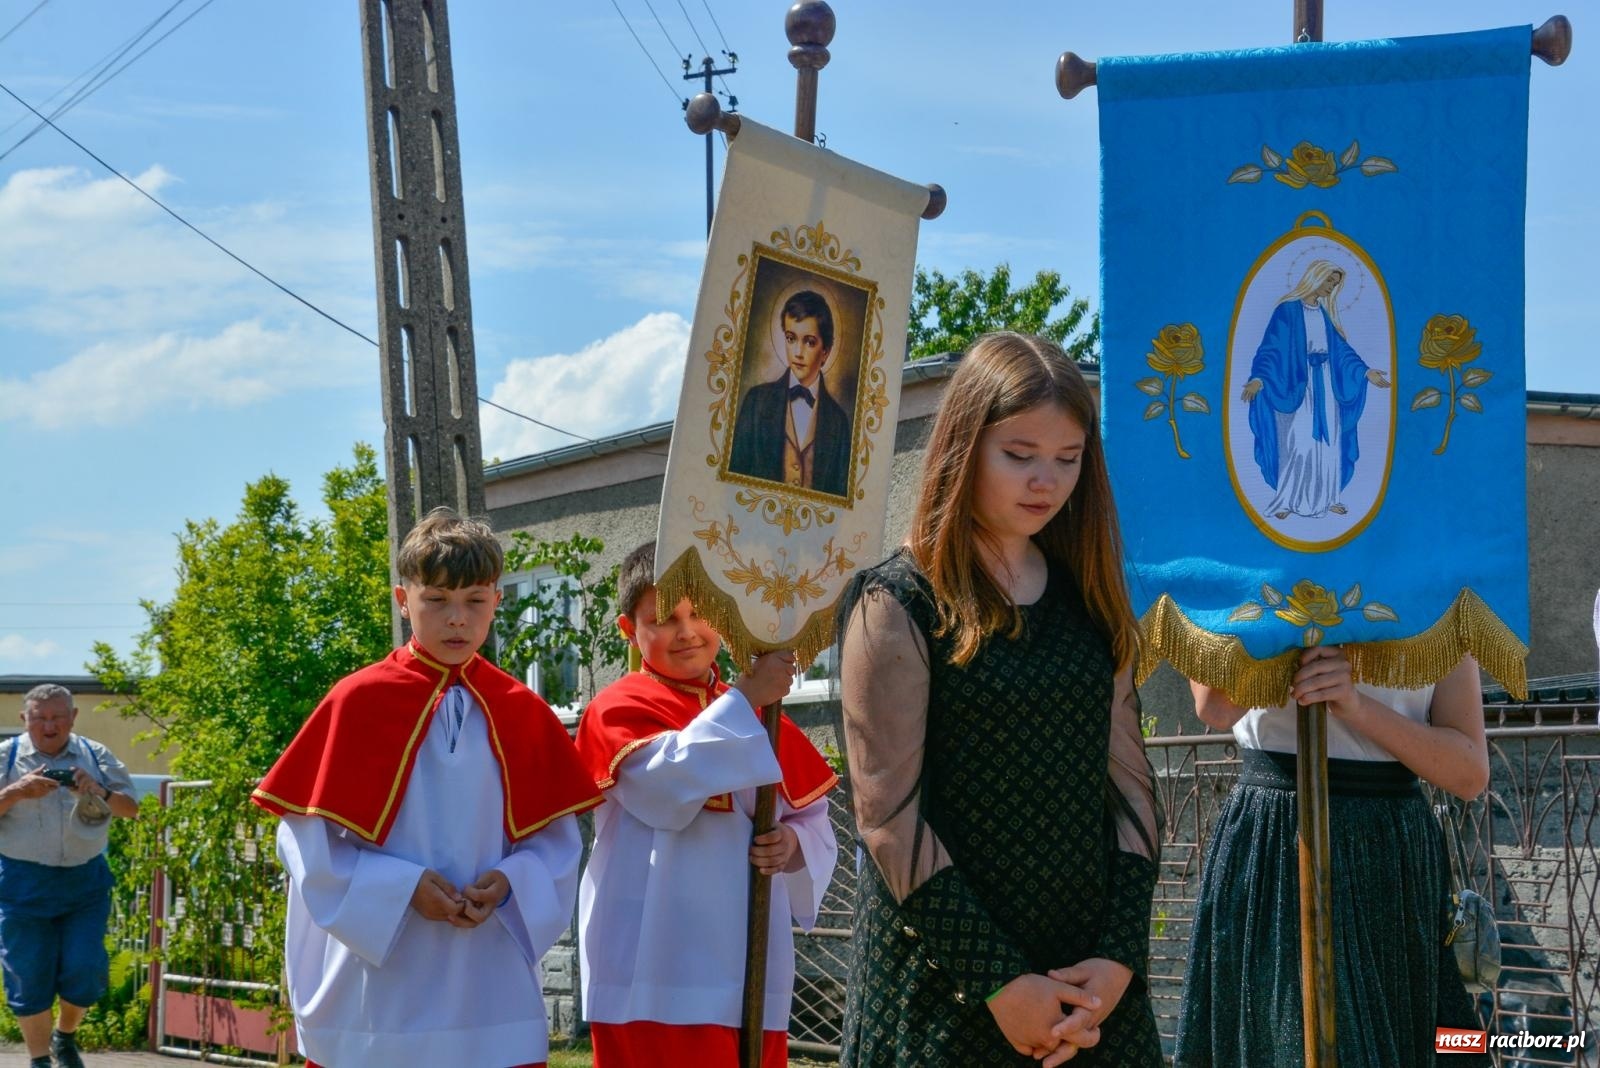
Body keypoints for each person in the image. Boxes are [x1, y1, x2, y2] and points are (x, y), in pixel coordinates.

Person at [836, 331, 1163, 1067]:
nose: (1045, 480)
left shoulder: (1091, 599)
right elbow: (887, 817)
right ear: (963, 446)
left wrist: (1115, 961)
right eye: (1019, 455)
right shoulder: (895, 603)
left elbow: (1134, 794)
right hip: (947, 992)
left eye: (1068, 459)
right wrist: (1001, 983)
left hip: (1092, 996)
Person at [251, 508, 602, 1068]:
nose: (456, 619)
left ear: (498, 601)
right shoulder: (356, 702)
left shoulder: (524, 712)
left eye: (475, 601)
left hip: (487, 971)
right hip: (381, 974)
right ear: (402, 598)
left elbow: (558, 843)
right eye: (436, 600)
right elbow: (304, 840)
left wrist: (511, 882)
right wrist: (401, 888)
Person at [574, 540, 839, 1068]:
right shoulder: (618, 708)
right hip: (651, 958)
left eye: (699, 613)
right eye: (664, 618)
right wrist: (746, 699)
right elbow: (665, 789)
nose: (687, 631)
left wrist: (792, 844)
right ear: (630, 630)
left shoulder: (756, 713)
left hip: (748, 957)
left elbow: (814, 821)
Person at [1174, 648, 1491, 1067]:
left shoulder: (1436, 589)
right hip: (1279, 837)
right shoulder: (1239, 580)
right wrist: (1290, 633)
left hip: (1390, 851)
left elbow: (1469, 773)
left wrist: (1358, 708)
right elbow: (1214, 707)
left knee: (1412, 1041)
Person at [0, 683, 139, 1068]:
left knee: (85, 969)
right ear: (24, 719)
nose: (49, 726)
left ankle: (66, 1036)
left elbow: (131, 808)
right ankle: (40, 1059)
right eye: (40, 718)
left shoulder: (96, 754)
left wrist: (99, 792)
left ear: (73, 717)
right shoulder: (6, 756)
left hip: (84, 883)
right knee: (27, 975)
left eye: (58, 717)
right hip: (21, 883)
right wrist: (15, 792)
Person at [1241, 260, 1391, 520]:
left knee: (1328, 442)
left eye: (1335, 284)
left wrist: (1366, 372)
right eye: (1329, 281)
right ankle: (1288, 500)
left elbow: (1342, 351)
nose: (1331, 287)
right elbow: (1271, 349)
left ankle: (1327, 498)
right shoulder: (1287, 311)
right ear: (1315, 277)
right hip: (1299, 385)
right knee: (1298, 442)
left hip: (1326, 387)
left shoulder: (1324, 313)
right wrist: (1259, 378)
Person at [727, 289, 853, 496]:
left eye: (810, 342)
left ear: (826, 351)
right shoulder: (756, 403)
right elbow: (732, 483)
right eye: (791, 338)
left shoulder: (838, 422)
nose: (797, 352)